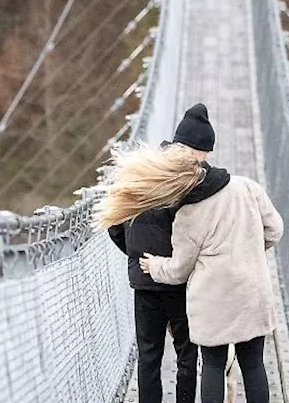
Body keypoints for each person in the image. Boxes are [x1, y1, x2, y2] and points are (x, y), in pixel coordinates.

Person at [97, 103, 283, 403]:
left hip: (181, 289)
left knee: (182, 360)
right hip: (235, 290)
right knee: (243, 363)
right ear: (204, 152)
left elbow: (121, 228)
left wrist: (141, 260)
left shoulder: (160, 187)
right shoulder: (234, 188)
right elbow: (275, 230)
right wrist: (246, 250)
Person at [105, 140, 198, 403]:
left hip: (145, 283)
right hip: (177, 281)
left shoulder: (134, 187)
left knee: (148, 356)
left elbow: (114, 227)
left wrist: (136, 254)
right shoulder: (181, 189)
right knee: (186, 354)